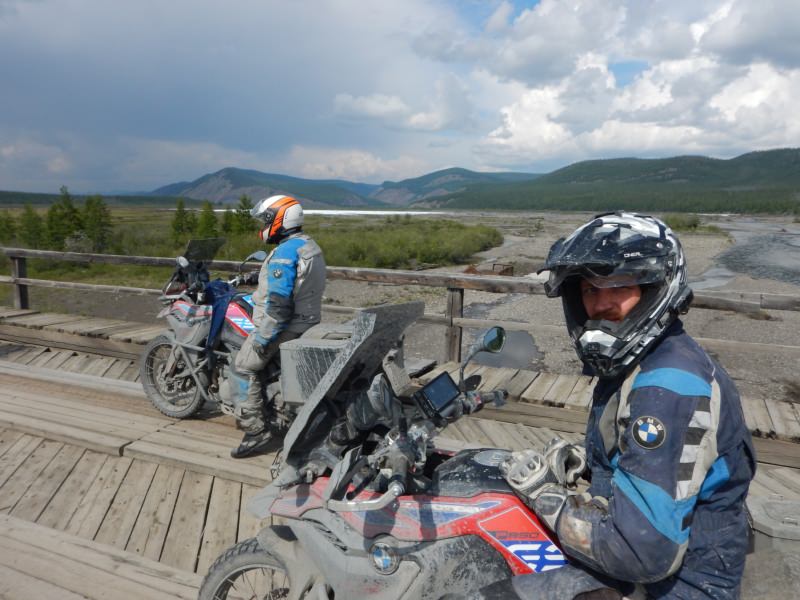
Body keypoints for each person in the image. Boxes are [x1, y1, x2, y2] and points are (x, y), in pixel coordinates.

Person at [498, 212, 755, 599]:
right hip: (661, 552)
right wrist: (587, 464)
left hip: (678, 582)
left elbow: (639, 553)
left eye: (618, 285)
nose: (601, 304)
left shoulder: (668, 388)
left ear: (655, 289)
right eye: (589, 290)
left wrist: (545, 497)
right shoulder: (647, 357)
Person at [228, 194, 326, 458]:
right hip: (307, 322)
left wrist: (263, 339)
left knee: (243, 366)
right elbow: (288, 282)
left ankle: (255, 431)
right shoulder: (307, 245)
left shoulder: (285, 252)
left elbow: (280, 307)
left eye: (266, 219)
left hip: (286, 326)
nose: (263, 225)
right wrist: (253, 277)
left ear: (280, 219)